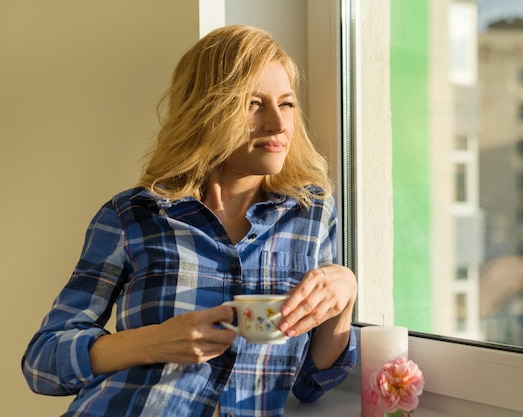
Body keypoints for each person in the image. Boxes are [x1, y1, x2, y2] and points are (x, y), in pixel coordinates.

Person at [22, 25, 358, 417]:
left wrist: (345, 295)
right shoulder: (132, 215)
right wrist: (156, 341)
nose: (278, 124)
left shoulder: (312, 215)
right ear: (208, 111)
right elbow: (42, 364)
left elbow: (311, 384)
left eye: (285, 104)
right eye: (253, 104)